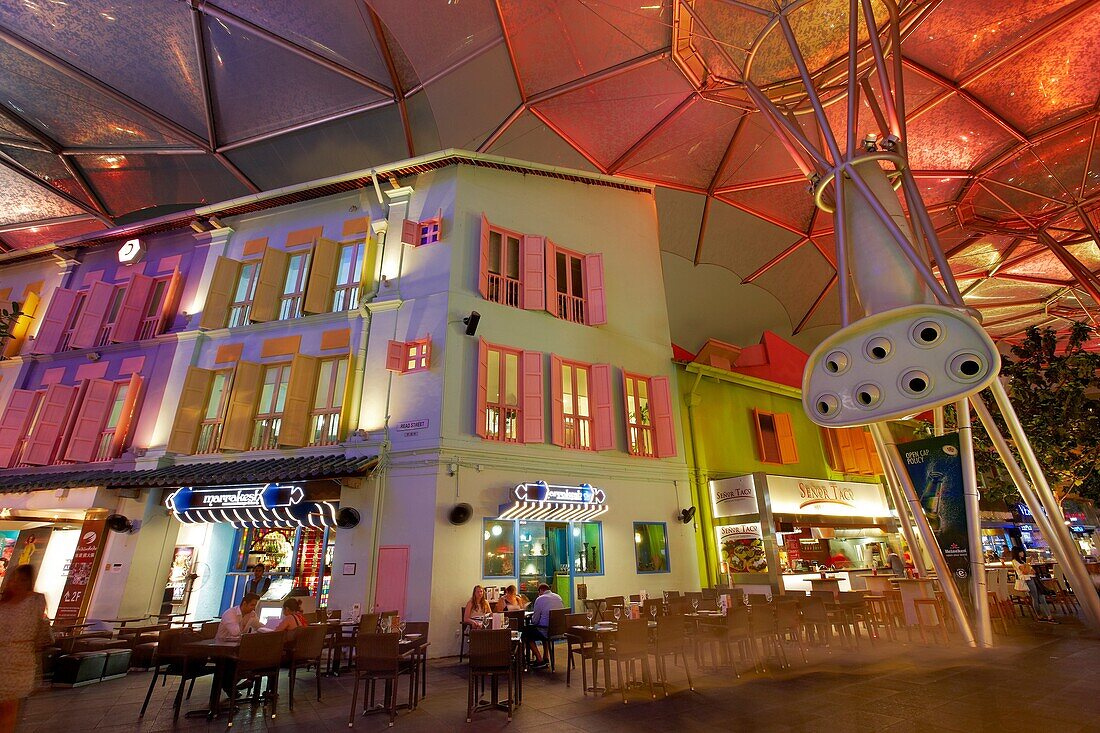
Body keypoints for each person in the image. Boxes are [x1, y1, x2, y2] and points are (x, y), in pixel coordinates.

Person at [0, 565, 49, 733]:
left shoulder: (35, 601)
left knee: (9, 707)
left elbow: (41, 630)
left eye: (23, 580)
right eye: (15, 579)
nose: (17, 583)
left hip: (20, 661)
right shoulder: (4, 603)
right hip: (2, 656)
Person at [523, 583, 563, 668]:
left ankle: (539, 659)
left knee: (526, 633)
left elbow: (535, 620)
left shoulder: (540, 599)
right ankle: (546, 656)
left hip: (545, 631)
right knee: (544, 628)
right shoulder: (558, 597)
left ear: (541, 590)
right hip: (557, 631)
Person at [1011, 549, 1056, 623]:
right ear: (1017, 552)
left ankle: (1049, 616)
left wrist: (1027, 567)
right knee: (1035, 597)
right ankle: (1039, 615)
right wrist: (1028, 565)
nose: (1023, 553)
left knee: (1041, 596)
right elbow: (1025, 572)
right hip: (1028, 579)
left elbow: (1032, 571)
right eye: (1021, 551)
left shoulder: (1022, 561)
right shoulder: (1015, 562)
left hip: (1033, 578)